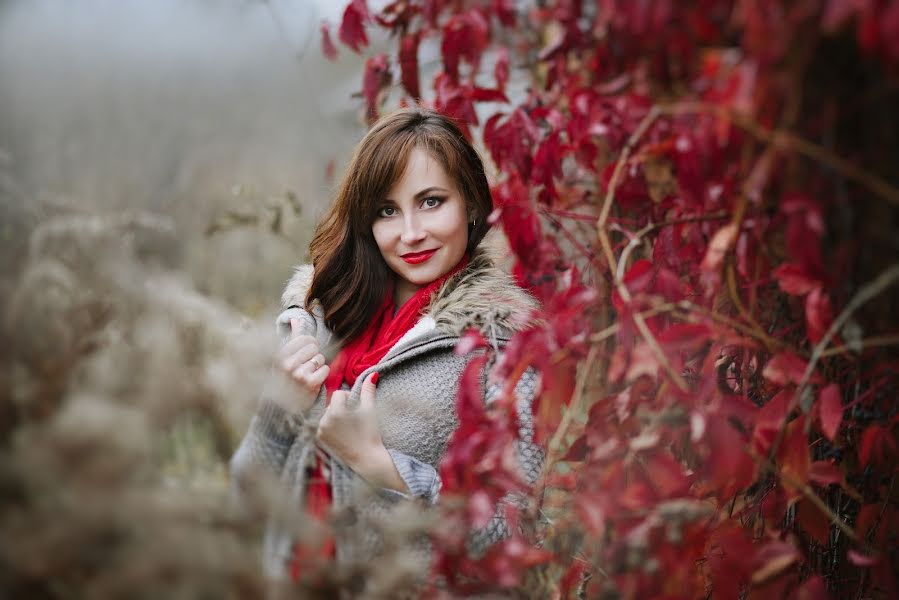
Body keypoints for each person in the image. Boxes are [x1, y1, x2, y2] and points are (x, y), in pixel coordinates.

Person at [230, 108, 543, 591]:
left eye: (432, 201)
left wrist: (384, 468)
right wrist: (279, 406)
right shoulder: (317, 320)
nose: (410, 232)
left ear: (472, 205)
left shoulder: (504, 345)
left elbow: (515, 535)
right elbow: (246, 498)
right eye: (387, 210)